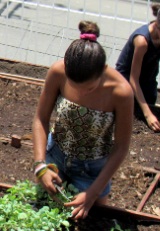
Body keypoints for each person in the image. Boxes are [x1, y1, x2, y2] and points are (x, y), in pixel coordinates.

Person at [32, 21, 133, 219]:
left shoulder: (121, 92)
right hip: (55, 158)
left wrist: (93, 192)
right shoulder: (58, 72)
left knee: (90, 223)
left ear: (103, 69)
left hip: (93, 171)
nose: (81, 93)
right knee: (45, 215)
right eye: (74, 85)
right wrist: (40, 165)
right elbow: (40, 119)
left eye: (89, 88)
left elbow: (121, 146)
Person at [115, 4, 160, 131]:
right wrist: (148, 114)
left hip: (148, 82)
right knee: (131, 116)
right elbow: (133, 79)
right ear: (158, 26)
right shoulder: (142, 41)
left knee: (150, 108)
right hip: (127, 84)